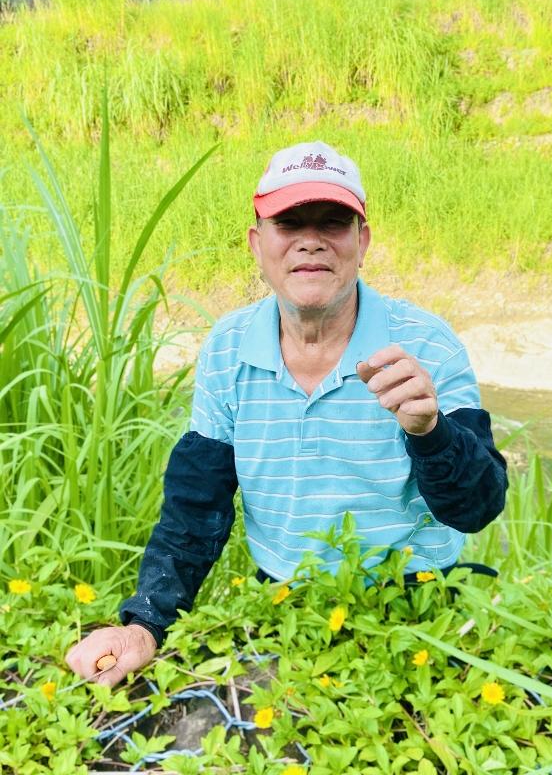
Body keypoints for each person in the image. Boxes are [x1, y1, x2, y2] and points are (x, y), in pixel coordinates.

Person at [66, 141, 508, 687]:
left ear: (362, 241)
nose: (311, 241)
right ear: (258, 244)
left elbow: (479, 507)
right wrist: (145, 624)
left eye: (334, 222)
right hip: (283, 603)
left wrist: (432, 433)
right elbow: (195, 506)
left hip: (418, 606)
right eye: (289, 222)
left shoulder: (427, 346)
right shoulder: (228, 347)